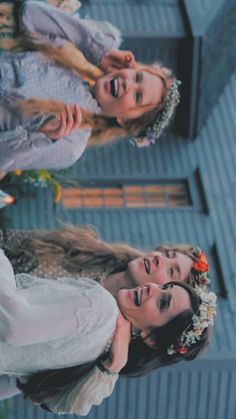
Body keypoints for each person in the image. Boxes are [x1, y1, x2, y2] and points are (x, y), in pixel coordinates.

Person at [0, 248, 216, 415]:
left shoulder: (102, 309)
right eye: (165, 287)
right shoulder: (101, 355)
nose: (153, 288)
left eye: (162, 303)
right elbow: (17, 382)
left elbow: (14, 327)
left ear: (151, 338)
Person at [0, 0, 181, 172]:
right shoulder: (68, 59)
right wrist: (98, 49)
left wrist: (40, 137)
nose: (129, 84)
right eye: (137, 76)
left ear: (125, 120)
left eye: (137, 96)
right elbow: (29, 13)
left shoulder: (72, 142)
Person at [1, 226, 210, 293]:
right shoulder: (83, 246)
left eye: (171, 271)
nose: (159, 259)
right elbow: (8, 239)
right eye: (167, 254)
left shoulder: (102, 327)